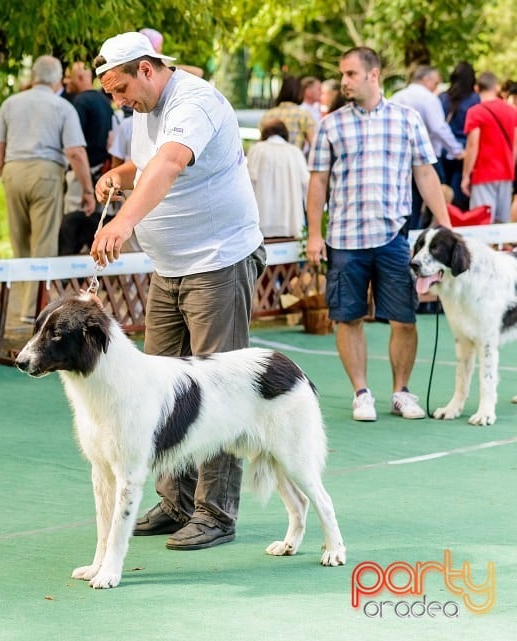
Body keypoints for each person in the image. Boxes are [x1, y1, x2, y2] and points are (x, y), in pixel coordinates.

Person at [90, 32, 266, 551]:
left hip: (218, 263)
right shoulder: (145, 111)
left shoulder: (196, 100)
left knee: (220, 388)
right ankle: (175, 501)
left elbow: (168, 164)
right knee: (153, 388)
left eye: (122, 88)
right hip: (169, 268)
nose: (119, 102)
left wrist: (122, 222)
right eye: (112, 95)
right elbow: (147, 165)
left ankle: (216, 513)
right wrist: (118, 176)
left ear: (147, 69)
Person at [305, 47, 451, 423]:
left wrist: (444, 221)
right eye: (343, 74)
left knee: (405, 317)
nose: (344, 81)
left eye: (351, 73)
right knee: (347, 317)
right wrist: (314, 236)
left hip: (392, 238)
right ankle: (361, 392)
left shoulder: (407, 119)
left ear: (374, 74)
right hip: (344, 239)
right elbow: (318, 182)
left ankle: (401, 391)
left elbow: (425, 173)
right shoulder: (331, 124)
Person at [0, 55, 94, 321]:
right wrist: (87, 189)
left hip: (13, 170)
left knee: (19, 242)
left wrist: (3, 171)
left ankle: (19, 304)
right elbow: (75, 152)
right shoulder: (62, 107)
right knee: (43, 243)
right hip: (46, 171)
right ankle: (32, 310)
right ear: (57, 78)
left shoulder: (9, 104)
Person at [391, 65, 465, 229]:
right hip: (426, 158)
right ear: (427, 79)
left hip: (398, 159)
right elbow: (439, 128)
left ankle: (410, 232)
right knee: (434, 196)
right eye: (436, 82)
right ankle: (424, 231)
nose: (436, 86)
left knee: (407, 201)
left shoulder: (396, 97)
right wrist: (457, 150)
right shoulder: (428, 98)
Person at [58, 61, 114, 255]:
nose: (65, 81)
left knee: (71, 227)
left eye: (68, 77)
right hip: (101, 170)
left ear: (81, 78)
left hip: (82, 175)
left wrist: (85, 187)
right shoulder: (105, 102)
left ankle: (67, 278)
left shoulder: (80, 102)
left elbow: (74, 143)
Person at [461, 72, 517, 224]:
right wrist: (510, 169)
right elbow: (515, 145)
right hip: (506, 173)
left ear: (476, 88)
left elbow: (473, 145)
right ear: (496, 88)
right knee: (502, 224)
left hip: (483, 173)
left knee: (482, 222)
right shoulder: (512, 111)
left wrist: (466, 176)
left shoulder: (475, 112)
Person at [246, 118, 309, 238]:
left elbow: (249, 185)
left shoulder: (257, 150)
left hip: (262, 223)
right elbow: (307, 185)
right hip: (292, 225)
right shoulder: (295, 152)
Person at [439, 62, 480, 209]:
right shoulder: (474, 100)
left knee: (442, 193)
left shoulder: (442, 98)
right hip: (464, 152)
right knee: (458, 195)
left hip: (443, 152)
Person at [262, 75, 314, 152]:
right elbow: (313, 143)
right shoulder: (304, 115)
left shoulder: (268, 114)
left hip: (270, 160)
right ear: (299, 93)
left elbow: (262, 141)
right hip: (294, 160)